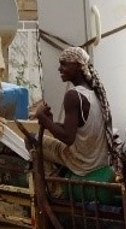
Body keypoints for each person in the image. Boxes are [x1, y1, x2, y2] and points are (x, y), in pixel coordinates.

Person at [34, 46, 120, 176]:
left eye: (64, 64)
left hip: (81, 162)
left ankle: (53, 187)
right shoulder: (95, 92)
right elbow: (79, 130)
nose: (59, 68)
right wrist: (51, 123)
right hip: (99, 160)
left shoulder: (73, 95)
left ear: (78, 66)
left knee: (30, 139)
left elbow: (68, 138)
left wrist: (42, 117)